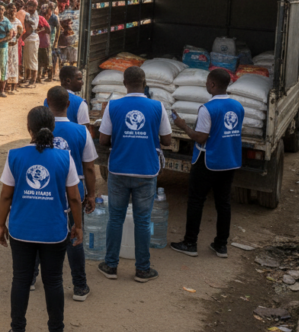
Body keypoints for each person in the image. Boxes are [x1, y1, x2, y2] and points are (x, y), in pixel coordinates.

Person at [0, 106, 82, 332]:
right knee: (53, 281)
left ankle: (17, 328)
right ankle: (56, 328)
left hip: (21, 230)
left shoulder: (15, 155)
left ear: (29, 128)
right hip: (54, 231)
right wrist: (78, 226)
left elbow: (6, 195)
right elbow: (74, 198)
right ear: (53, 129)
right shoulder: (65, 157)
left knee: (21, 280)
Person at [97, 66, 173, 282]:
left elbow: (103, 140)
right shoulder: (157, 106)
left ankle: (110, 265)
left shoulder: (113, 106)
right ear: (145, 82)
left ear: (124, 83)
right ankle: (142, 269)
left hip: (119, 170)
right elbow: (167, 140)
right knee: (142, 220)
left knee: (115, 219)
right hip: (146, 171)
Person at [170, 69, 243, 259]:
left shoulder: (207, 109)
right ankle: (221, 245)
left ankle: (190, 242)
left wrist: (183, 125)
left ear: (212, 84)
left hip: (208, 160)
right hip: (229, 160)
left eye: (207, 82)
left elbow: (201, 137)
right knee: (223, 203)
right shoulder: (238, 106)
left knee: (196, 200)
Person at [44, 86, 98, 301]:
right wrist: (91, 194)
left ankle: (31, 279)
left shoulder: (41, 131)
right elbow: (90, 168)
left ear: (47, 104)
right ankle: (79, 286)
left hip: (47, 191)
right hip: (74, 192)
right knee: (75, 235)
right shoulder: (81, 131)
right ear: (68, 105)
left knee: (43, 234)